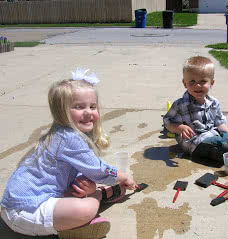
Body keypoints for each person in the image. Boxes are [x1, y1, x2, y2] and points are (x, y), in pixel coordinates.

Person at [0, 67, 137, 239]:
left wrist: (88, 183)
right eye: (79, 107)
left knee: (80, 193)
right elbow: (99, 170)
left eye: (92, 106)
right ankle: (85, 213)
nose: (88, 112)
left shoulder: (60, 134)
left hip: (19, 205)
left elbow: (80, 171)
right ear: (62, 111)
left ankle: (77, 217)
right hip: (26, 211)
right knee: (86, 208)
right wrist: (122, 176)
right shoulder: (69, 138)